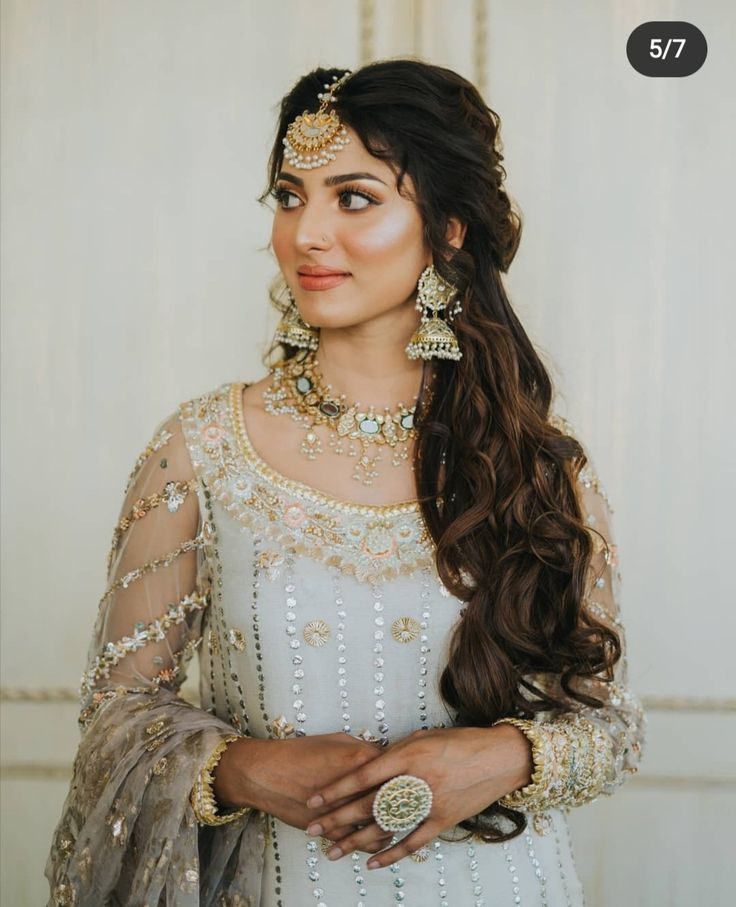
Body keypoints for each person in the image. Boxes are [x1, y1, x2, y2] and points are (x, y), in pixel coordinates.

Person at [46, 59, 646, 906]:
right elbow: (117, 717)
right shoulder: (204, 447)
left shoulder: (536, 466)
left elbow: (611, 724)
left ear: (448, 230)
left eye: (354, 197)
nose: (306, 234)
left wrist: (501, 755)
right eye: (291, 197)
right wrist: (244, 767)